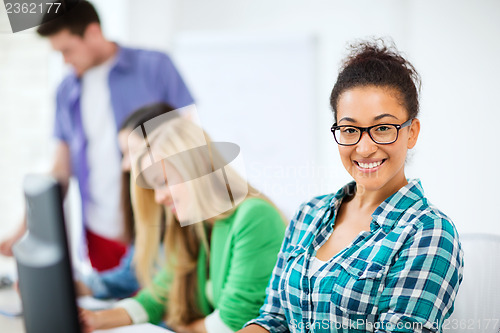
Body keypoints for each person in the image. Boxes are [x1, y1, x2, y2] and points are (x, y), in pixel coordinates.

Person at [240, 39, 464, 332]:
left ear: (412, 133)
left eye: (383, 128)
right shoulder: (309, 214)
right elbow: (274, 319)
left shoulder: (428, 233)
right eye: (350, 129)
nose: (365, 147)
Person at [0, 1, 194, 272]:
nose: (65, 61)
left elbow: (192, 143)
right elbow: (60, 170)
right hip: (100, 231)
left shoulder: (155, 66)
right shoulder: (66, 91)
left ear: (92, 32)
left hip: (158, 224)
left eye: (67, 50)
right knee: (104, 305)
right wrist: (24, 228)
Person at [80, 116, 286, 333]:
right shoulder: (197, 227)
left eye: (163, 182)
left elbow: (232, 323)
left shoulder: (254, 217)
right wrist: (95, 320)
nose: (159, 198)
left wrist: (183, 328)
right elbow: (156, 296)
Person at [75, 103, 178, 299]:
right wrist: (75, 287)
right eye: (123, 154)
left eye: (133, 153)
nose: (125, 166)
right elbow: (131, 275)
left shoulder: (190, 215)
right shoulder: (155, 210)